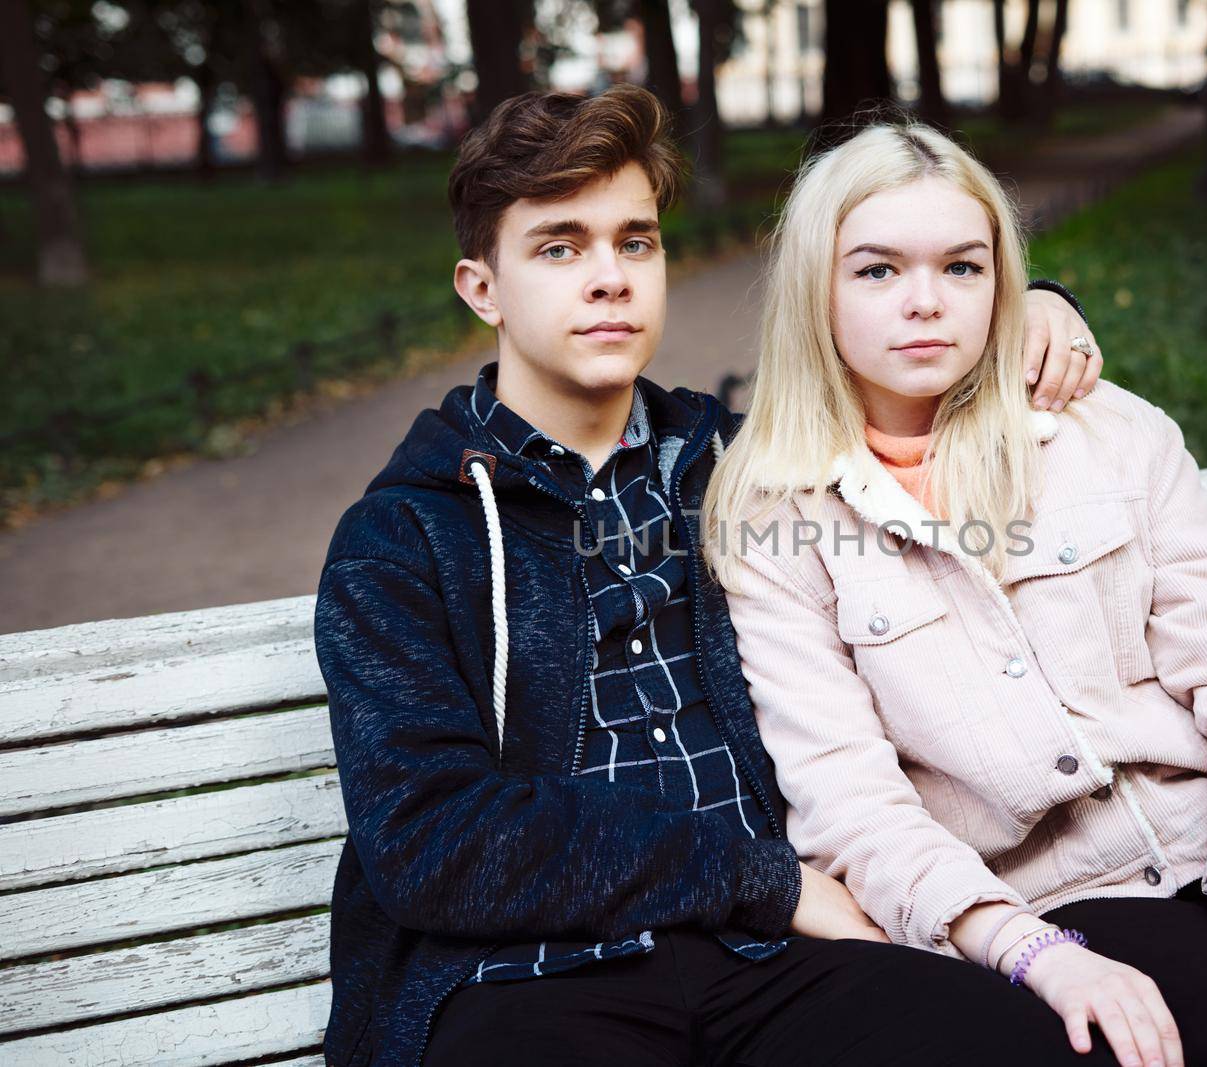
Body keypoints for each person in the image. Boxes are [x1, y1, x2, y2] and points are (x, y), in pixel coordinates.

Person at [313, 85, 1103, 1067]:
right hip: (528, 975)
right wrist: (750, 872)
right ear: (482, 287)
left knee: (1011, 1041)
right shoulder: (405, 538)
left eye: (633, 241)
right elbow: (432, 840)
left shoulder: (753, 466)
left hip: (779, 954)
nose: (608, 278)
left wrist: (1037, 307)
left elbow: (915, 378)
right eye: (560, 247)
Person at [703, 118, 1207, 1067]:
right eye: (876, 271)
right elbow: (852, 808)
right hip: (1064, 897)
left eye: (962, 267)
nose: (926, 304)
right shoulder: (771, 519)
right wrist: (1038, 953)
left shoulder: (1106, 433)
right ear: (813, 291)